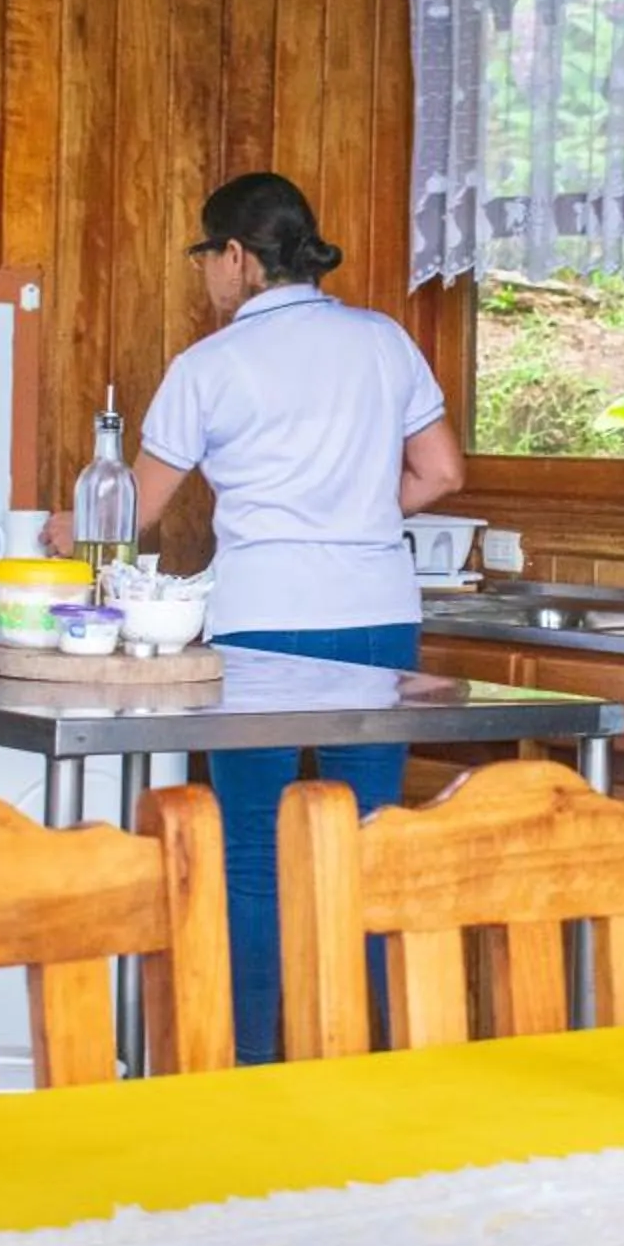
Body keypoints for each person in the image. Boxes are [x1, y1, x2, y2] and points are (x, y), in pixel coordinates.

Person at [129, 172, 465, 1066]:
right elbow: (439, 474)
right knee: (364, 837)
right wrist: (353, 508)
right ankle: (360, 1052)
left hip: (265, 623)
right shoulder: (383, 340)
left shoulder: (209, 367)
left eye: (207, 255)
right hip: (376, 619)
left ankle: (251, 1063)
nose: (205, 274)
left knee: (248, 849)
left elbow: (137, 512)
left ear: (237, 256)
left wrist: (63, 524)